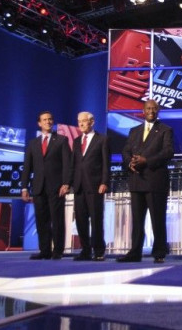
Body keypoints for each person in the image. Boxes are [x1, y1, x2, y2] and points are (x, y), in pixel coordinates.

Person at [118, 100, 174, 263]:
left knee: (157, 219)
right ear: (143, 111)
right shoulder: (134, 131)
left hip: (155, 181)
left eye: (154, 108)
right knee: (137, 220)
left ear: (158, 111)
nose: (151, 111)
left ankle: (159, 252)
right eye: (148, 108)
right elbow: (126, 150)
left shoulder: (165, 130)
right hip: (136, 179)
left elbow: (168, 152)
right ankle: (135, 252)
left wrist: (146, 160)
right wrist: (130, 163)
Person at [20, 111, 71, 260]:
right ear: (39, 123)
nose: (48, 122)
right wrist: (24, 187)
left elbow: (67, 165)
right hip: (38, 187)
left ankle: (58, 251)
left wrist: (66, 183)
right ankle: (44, 250)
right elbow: (27, 166)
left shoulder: (61, 140)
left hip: (56, 187)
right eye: (44, 120)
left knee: (57, 220)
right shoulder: (33, 143)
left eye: (50, 119)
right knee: (41, 220)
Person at [62, 112, 110, 262]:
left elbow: (106, 164)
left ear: (92, 122)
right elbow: (73, 165)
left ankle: (99, 251)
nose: (81, 124)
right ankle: (85, 250)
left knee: (96, 220)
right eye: (79, 121)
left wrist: (104, 182)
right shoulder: (76, 141)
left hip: (95, 186)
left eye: (84, 121)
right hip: (79, 187)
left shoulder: (102, 139)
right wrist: (68, 183)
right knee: (81, 221)